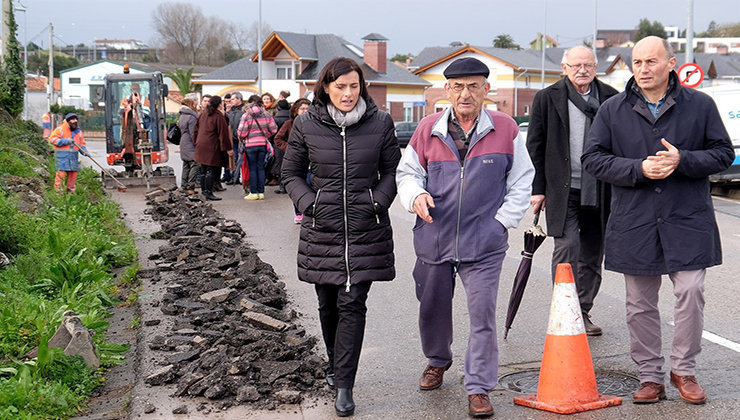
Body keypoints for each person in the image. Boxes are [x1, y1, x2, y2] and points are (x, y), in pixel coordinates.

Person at [582, 36, 733, 405]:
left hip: (687, 218)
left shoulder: (700, 105)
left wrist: (683, 160)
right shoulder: (613, 109)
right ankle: (649, 376)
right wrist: (639, 168)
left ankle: (684, 370)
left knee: (691, 291)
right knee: (639, 304)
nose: (644, 69)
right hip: (636, 220)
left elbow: (723, 154)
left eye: (651, 62)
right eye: (637, 62)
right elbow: (593, 158)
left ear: (671, 63)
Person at [396, 57, 534, 417]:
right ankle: (437, 360)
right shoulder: (427, 129)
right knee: (432, 308)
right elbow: (407, 173)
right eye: (458, 86)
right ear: (447, 90)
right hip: (434, 237)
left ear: (487, 90)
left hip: (484, 243)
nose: (465, 93)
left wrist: (501, 222)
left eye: (474, 85)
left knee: (482, 314)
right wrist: (415, 196)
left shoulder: (507, 128)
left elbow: (521, 181)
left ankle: (478, 386)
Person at [281, 57, 401, 417]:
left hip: (366, 229)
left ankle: (345, 384)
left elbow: (393, 169)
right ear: (326, 88)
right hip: (323, 230)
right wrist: (310, 203)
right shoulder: (305, 124)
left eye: (354, 86)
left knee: (352, 303)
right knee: (327, 303)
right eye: (341, 87)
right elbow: (290, 172)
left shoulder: (380, 123)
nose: (348, 93)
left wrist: (377, 202)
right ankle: (335, 364)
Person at [526, 45, 619, 336]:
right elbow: (535, 147)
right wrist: (537, 189)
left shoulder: (611, 98)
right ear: (564, 68)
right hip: (562, 189)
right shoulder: (547, 98)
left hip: (600, 189)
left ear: (596, 67)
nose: (583, 70)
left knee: (593, 254)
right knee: (567, 246)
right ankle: (564, 309)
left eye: (589, 65)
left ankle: (583, 310)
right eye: (577, 65)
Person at [193, 95, 233, 201]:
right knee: (210, 169)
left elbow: (196, 129)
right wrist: (228, 148)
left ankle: (204, 191)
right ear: (219, 105)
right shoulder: (218, 116)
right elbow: (223, 134)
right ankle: (209, 192)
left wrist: (195, 142)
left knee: (203, 169)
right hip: (211, 145)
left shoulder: (203, 114)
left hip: (201, 145)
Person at [237, 95, 277, 200]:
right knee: (261, 167)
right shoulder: (266, 114)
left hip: (250, 145)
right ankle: (261, 192)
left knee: (252, 168)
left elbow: (241, 132)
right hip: (262, 144)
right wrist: (265, 135)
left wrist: (244, 137)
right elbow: (274, 129)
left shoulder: (246, 115)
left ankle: (253, 192)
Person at [273, 97, 310, 207]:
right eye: (302, 108)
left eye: (307, 108)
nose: (305, 111)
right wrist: (290, 149)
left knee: (309, 186)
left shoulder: (315, 124)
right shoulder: (289, 123)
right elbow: (278, 139)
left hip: (311, 160)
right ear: (296, 110)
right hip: (296, 159)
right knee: (298, 186)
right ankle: (298, 212)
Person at [48, 113, 89, 193]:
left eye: (76, 119)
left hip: (73, 158)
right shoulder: (60, 129)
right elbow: (52, 140)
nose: (75, 121)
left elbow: (81, 144)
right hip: (62, 158)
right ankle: (59, 193)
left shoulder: (79, 132)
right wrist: (65, 141)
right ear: (68, 121)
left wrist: (84, 151)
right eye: (73, 119)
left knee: (73, 175)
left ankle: (71, 192)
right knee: (61, 175)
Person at [178, 98, 199, 194]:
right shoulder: (191, 117)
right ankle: (190, 187)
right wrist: (197, 143)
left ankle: (183, 185)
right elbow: (193, 133)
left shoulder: (182, 116)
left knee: (186, 164)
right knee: (195, 164)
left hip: (183, 141)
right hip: (190, 143)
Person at [226, 92, 245, 185]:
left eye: (233, 99)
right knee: (233, 158)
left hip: (241, 138)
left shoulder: (244, 110)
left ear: (239, 99)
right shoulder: (230, 111)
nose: (231, 101)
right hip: (232, 138)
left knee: (241, 159)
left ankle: (242, 177)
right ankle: (234, 177)